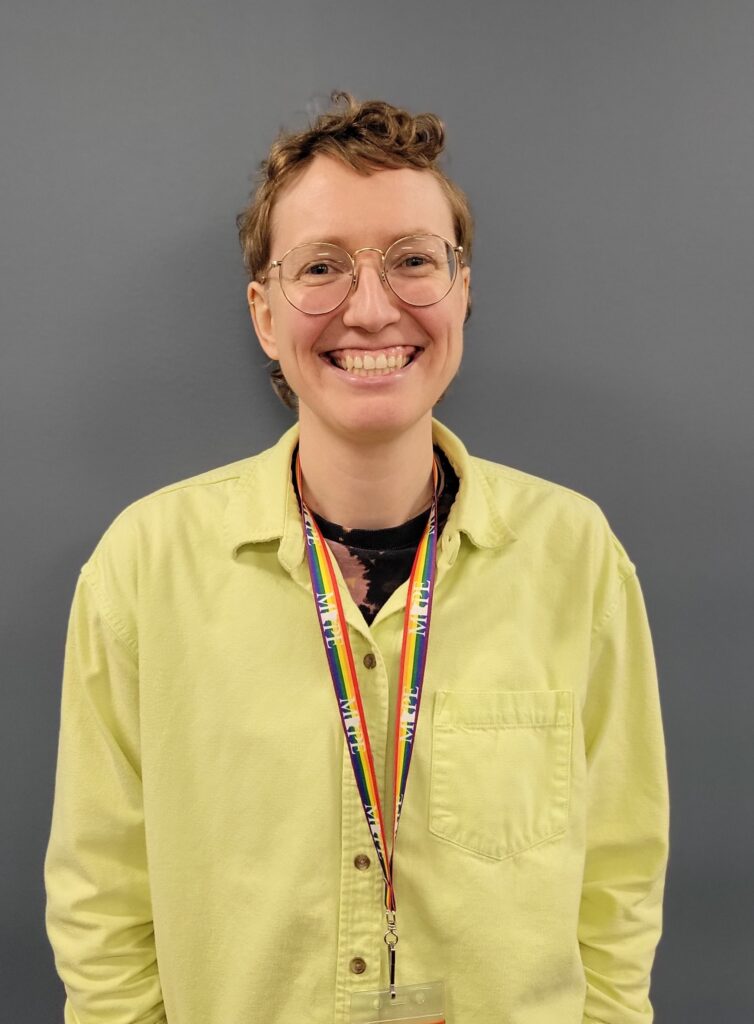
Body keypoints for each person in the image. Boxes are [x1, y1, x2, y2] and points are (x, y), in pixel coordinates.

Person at [44, 92, 669, 1024]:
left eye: (413, 261)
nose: (371, 310)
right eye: (322, 268)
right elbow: (102, 904)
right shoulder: (143, 570)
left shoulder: (576, 558)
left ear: (462, 288)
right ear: (263, 314)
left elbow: (619, 885)